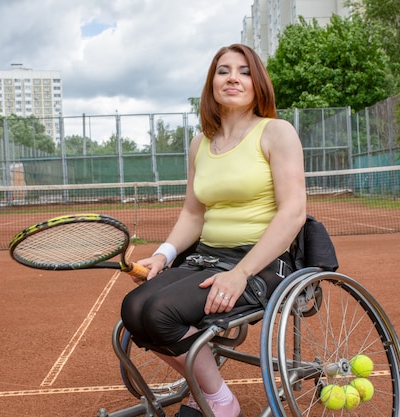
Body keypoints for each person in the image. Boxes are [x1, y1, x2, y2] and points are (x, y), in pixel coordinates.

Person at [120, 44, 306, 417]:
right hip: (207, 258)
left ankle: (218, 402)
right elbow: (193, 213)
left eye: (244, 71)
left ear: (258, 84)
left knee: (160, 314)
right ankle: (212, 391)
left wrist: (241, 273)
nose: (233, 78)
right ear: (212, 84)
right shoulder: (199, 144)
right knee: (134, 309)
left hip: (261, 262)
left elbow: (293, 213)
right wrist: (163, 254)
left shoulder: (276, 133)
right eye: (223, 71)